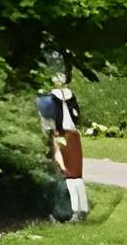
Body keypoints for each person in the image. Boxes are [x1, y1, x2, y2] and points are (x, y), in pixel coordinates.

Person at [38, 75, 90, 221]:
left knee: (67, 175)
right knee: (77, 174)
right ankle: (82, 208)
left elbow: (47, 123)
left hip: (60, 136)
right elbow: (77, 117)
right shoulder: (72, 96)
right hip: (74, 136)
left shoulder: (48, 99)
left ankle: (73, 211)